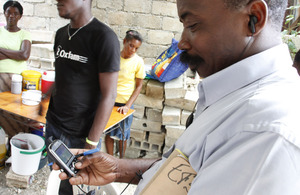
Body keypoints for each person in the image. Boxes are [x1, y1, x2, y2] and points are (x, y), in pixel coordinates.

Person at [54, 0, 300, 194]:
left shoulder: (265, 133)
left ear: (253, 18)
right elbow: (192, 169)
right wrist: (119, 169)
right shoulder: (234, 95)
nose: (181, 42)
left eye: (192, 25)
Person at [47, 0, 120, 194]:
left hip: (81, 134)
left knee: (81, 187)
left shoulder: (104, 37)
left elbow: (109, 94)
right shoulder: (61, 34)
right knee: (58, 180)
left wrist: (92, 143)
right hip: (54, 125)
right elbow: (65, 76)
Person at [105, 30, 145, 158]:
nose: (133, 50)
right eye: (131, 45)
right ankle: (110, 160)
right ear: (124, 42)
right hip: (110, 102)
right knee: (108, 133)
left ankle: (121, 162)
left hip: (125, 104)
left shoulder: (138, 62)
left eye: (136, 48)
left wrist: (128, 106)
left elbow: (139, 86)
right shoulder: (113, 56)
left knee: (123, 135)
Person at [0, 0, 31, 92]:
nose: (11, 16)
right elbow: (20, 55)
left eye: (15, 13)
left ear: (20, 16)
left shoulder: (25, 34)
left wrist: (1, 49)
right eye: (8, 12)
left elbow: (24, 55)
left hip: (17, 77)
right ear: (4, 13)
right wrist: (17, 55)